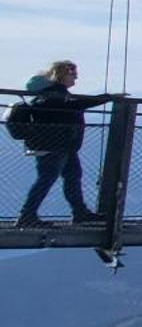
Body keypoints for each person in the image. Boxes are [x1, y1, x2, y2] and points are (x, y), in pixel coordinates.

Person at [14, 60, 115, 227]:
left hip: (60, 145)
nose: (75, 78)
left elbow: (74, 105)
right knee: (48, 178)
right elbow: (77, 105)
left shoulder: (50, 94)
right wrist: (107, 98)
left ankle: (79, 212)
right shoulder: (55, 94)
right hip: (56, 145)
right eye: (73, 74)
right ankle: (27, 215)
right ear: (63, 75)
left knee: (71, 176)